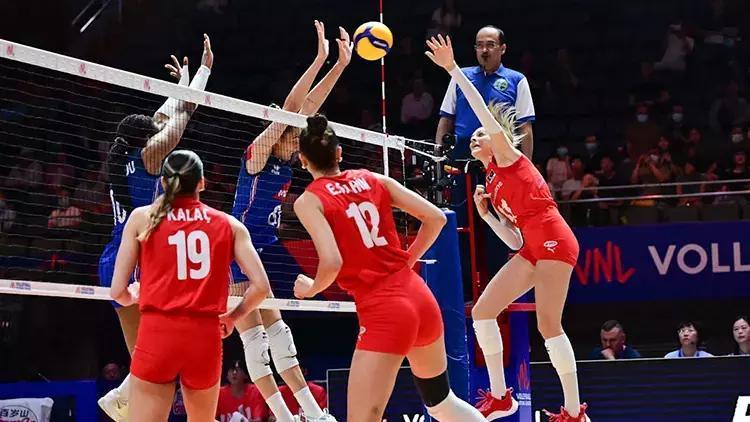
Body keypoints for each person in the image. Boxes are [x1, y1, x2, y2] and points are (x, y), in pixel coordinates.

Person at [426, 35, 588, 421]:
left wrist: (452, 69)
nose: (476, 137)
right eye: (475, 136)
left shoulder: (509, 157)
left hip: (555, 239)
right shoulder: (492, 182)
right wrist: (488, 217)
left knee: (548, 324)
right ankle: (501, 397)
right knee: (482, 312)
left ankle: (573, 412)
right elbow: (515, 239)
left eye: (481, 134)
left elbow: (482, 111)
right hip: (531, 246)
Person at [292, 114, 487, 422]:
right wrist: (409, 259)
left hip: (385, 310)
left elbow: (332, 262)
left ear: (303, 160)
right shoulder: (375, 180)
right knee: (440, 402)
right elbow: (436, 218)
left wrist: (311, 288)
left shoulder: (308, 201)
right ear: (339, 153)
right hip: (419, 297)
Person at [229, 22, 349, 422]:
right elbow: (291, 110)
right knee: (255, 341)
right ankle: (283, 417)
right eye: (291, 134)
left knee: (281, 337)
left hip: (264, 250)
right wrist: (318, 60)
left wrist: (336, 63)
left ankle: (313, 414)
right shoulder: (257, 157)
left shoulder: (286, 161)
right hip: (235, 251)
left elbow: (305, 111)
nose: (298, 142)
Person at [98, 35, 214, 422]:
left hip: (116, 257)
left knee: (151, 359)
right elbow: (179, 119)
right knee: (152, 364)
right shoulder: (150, 157)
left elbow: (165, 115)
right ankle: (121, 399)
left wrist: (185, 82)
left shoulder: (124, 154)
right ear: (149, 141)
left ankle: (120, 398)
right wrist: (203, 73)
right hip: (135, 261)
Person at [109, 150, 271, 422]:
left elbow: (117, 292)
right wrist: (233, 317)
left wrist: (133, 295)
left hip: (157, 335)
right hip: (204, 337)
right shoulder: (229, 225)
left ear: (163, 182)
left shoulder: (141, 218)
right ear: (202, 183)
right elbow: (261, 286)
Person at [436, 26, 535, 160]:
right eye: (480, 45)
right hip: (460, 157)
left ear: (503, 48)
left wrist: (526, 165)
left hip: (500, 159)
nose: (484, 50)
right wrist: (438, 158)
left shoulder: (517, 80)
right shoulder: (460, 76)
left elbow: (525, 127)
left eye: (490, 45)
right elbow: (446, 119)